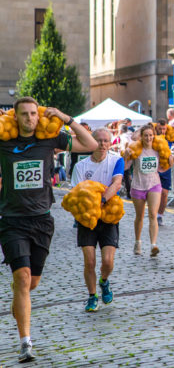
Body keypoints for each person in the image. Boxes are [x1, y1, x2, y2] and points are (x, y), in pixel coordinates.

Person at [0, 97, 97, 363]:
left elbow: (91, 145)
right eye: (24, 114)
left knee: (32, 282)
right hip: (11, 220)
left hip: (42, 220)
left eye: (33, 113)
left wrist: (67, 118)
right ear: (16, 116)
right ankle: (25, 344)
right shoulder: (4, 141)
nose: (29, 118)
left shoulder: (49, 139)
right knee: (22, 277)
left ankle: (20, 303)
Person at [70, 128, 124, 312]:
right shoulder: (80, 167)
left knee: (108, 262)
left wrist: (100, 201)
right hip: (87, 220)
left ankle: (104, 281)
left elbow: (116, 183)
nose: (102, 144)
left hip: (108, 217)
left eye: (106, 141)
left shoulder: (116, 160)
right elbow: (75, 195)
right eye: (99, 141)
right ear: (91, 143)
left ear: (110, 143)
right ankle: (92, 296)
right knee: (90, 261)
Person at [124, 124, 173, 257]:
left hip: (154, 185)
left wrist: (170, 161)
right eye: (146, 135)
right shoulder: (136, 149)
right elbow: (125, 167)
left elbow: (163, 168)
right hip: (138, 186)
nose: (148, 138)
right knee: (139, 217)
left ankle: (153, 245)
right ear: (141, 137)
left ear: (154, 136)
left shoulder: (158, 150)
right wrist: (125, 156)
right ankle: (138, 242)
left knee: (152, 214)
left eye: (151, 135)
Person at [154, 118, 174, 226]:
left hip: (166, 169)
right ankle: (152, 213)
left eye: (164, 129)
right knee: (153, 193)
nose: (162, 131)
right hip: (154, 169)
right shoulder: (151, 137)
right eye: (160, 129)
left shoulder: (170, 138)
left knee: (165, 194)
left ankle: (160, 215)